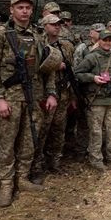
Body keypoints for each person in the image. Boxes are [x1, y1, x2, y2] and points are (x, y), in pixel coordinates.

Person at [0, 0, 58, 207]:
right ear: (12, 10)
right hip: (10, 97)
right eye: (20, 7)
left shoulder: (38, 34)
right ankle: (6, 183)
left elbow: (48, 66)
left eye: (28, 7)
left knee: (29, 139)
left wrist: (51, 93)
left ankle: (22, 178)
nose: (24, 11)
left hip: (34, 96)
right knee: (6, 142)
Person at [74, 29, 111, 171]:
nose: (108, 43)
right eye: (105, 40)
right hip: (96, 101)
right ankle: (96, 159)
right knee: (96, 132)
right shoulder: (91, 57)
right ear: (99, 41)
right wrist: (93, 78)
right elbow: (77, 73)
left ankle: (110, 157)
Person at [33, 13, 76, 180]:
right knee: (42, 130)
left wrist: (72, 95)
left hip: (63, 92)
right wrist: (55, 65)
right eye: (53, 24)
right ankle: (37, 164)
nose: (57, 27)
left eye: (59, 24)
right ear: (45, 26)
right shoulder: (39, 45)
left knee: (59, 128)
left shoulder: (66, 46)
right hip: (45, 94)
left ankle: (55, 161)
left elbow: (72, 70)